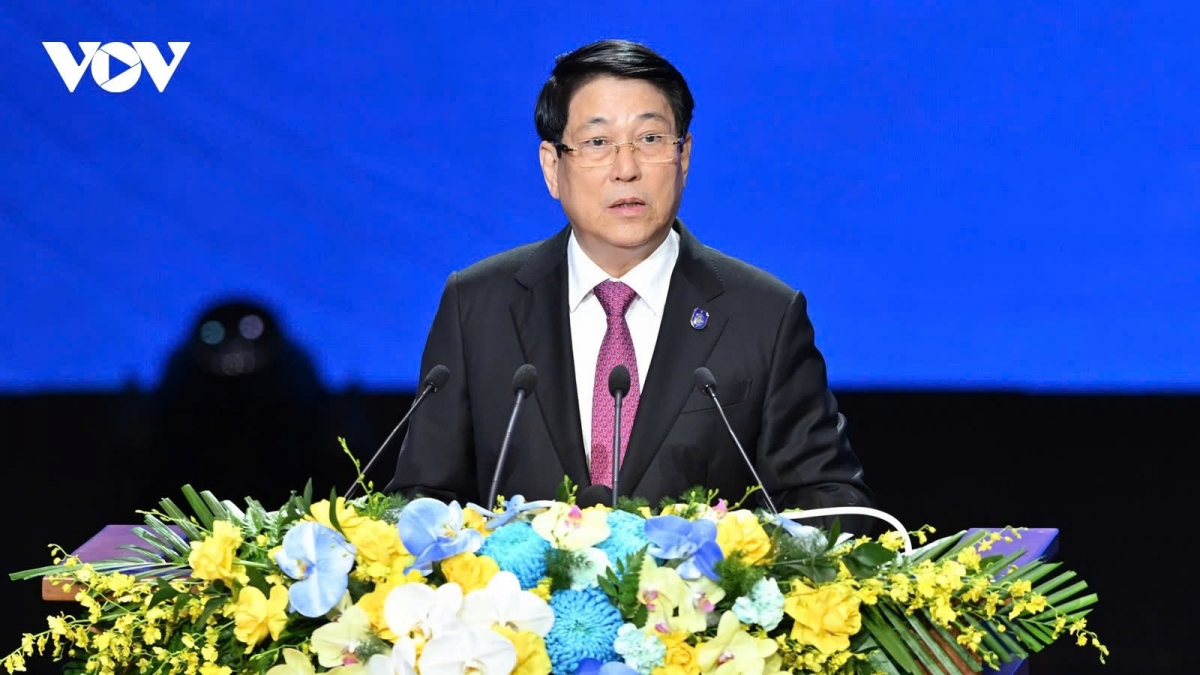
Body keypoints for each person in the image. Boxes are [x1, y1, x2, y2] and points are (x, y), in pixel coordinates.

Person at [385, 39, 874, 532]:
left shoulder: (765, 314)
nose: (627, 169)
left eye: (651, 139)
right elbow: (423, 500)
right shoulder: (477, 305)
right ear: (553, 166)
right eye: (598, 143)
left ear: (684, 157)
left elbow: (829, 504)